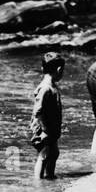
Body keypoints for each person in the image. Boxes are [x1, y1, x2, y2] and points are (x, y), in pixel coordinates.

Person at [30, 53, 65, 181]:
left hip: (51, 128)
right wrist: (44, 130)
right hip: (44, 129)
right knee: (44, 155)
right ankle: (38, 181)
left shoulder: (52, 87)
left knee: (54, 153)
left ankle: (49, 176)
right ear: (59, 70)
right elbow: (38, 112)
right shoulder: (45, 88)